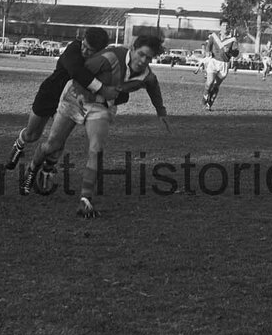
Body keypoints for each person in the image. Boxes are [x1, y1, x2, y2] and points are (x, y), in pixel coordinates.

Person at [21, 35, 168, 218]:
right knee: (53, 145)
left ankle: (85, 199)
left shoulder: (146, 75)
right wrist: (81, 94)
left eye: (149, 58)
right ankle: (33, 168)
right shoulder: (110, 58)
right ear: (132, 49)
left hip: (101, 106)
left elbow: (153, 85)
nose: (144, 60)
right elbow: (80, 75)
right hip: (76, 97)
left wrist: (161, 111)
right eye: (141, 54)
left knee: (96, 149)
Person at [4, 27, 119, 171]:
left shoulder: (104, 60)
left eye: (90, 50)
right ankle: (19, 144)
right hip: (50, 93)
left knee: (57, 141)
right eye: (84, 45)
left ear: (100, 51)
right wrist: (102, 89)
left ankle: (45, 172)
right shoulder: (73, 48)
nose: (84, 51)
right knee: (32, 135)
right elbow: (76, 71)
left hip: (70, 100)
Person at [202, 26, 239, 110]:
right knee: (210, 82)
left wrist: (230, 51)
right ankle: (205, 95)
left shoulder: (233, 39)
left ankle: (209, 103)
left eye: (227, 26)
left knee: (216, 85)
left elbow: (236, 53)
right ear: (220, 27)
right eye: (223, 25)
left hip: (224, 64)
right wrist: (207, 51)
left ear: (229, 28)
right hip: (214, 62)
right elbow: (208, 45)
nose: (225, 27)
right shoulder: (214, 36)